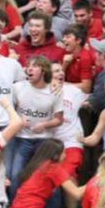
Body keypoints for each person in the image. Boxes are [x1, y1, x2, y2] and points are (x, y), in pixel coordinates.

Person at [7, 56, 64, 194]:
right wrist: (18, 119)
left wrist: (44, 124)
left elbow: (59, 119)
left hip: (44, 140)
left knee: (48, 176)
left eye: (34, 66)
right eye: (28, 66)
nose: (29, 69)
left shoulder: (54, 91)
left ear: (43, 70)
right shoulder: (18, 87)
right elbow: (9, 110)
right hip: (22, 138)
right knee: (16, 175)